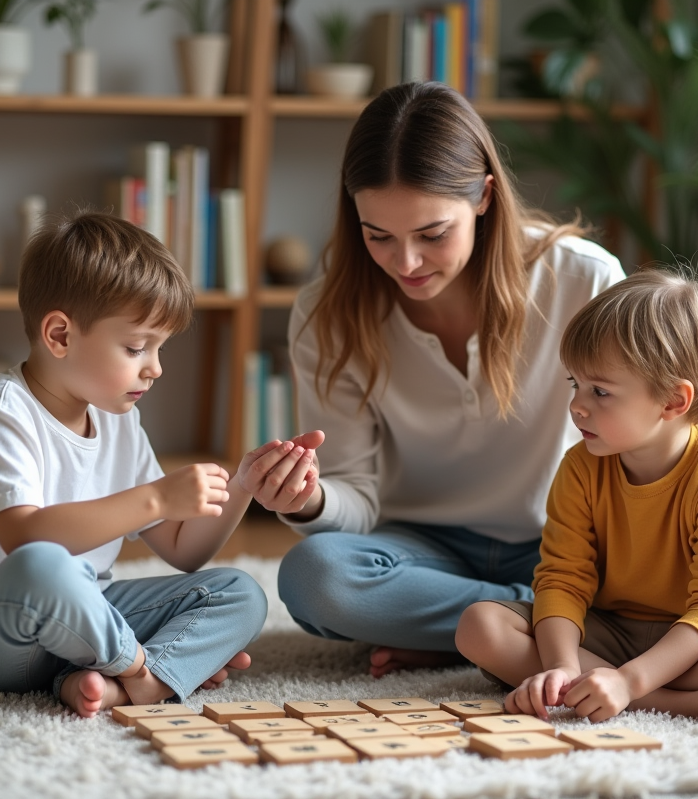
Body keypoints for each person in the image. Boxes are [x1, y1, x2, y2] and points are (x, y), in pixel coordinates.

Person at [250, 81, 625, 678]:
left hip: (566, 546)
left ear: (483, 197)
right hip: (423, 552)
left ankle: (469, 635)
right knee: (314, 577)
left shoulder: (582, 280)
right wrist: (310, 499)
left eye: (432, 234)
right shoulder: (328, 314)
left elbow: (633, 449)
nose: (406, 263)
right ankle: (537, 626)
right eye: (379, 236)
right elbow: (357, 496)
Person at [0, 212, 306, 718]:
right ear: (60, 336)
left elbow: (183, 550)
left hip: (81, 624)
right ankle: (143, 675)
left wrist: (243, 485)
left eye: (159, 348)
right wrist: (156, 498)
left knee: (239, 592)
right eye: (137, 347)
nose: (155, 368)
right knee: (45, 565)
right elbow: (28, 541)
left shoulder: (118, 421)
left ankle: (89, 680)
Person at [455, 267, 698, 723]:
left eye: (600, 390)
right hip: (612, 625)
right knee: (479, 627)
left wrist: (629, 679)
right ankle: (657, 700)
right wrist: (561, 666)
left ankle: (620, 688)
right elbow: (562, 578)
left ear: (673, 402)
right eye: (575, 384)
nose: (577, 405)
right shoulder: (579, 467)